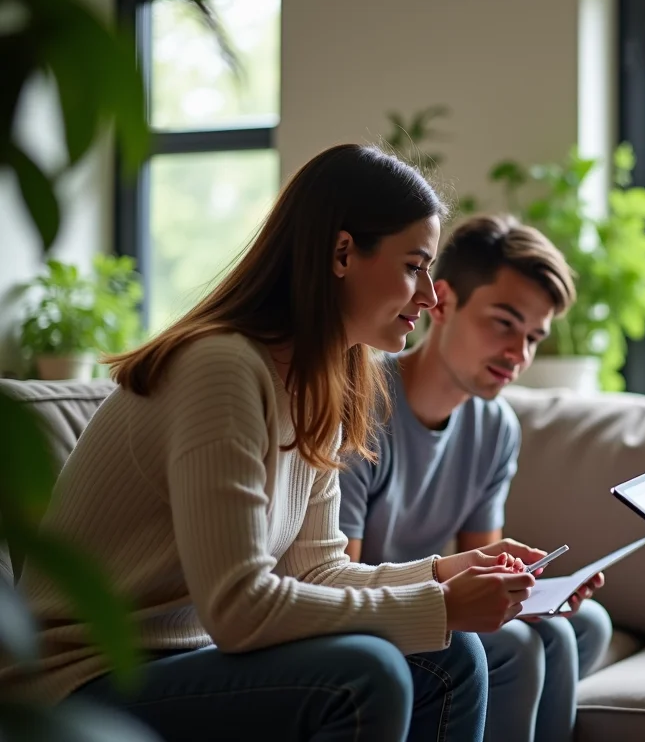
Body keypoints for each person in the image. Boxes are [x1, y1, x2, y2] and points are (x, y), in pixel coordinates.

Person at [1, 144, 538, 742]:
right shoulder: (220, 368)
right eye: (414, 266)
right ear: (341, 253)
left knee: (452, 656)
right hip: (79, 678)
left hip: (181, 658)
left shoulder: (321, 385)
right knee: (368, 673)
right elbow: (238, 609)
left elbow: (318, 570)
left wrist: (442, 574)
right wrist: (438, 605)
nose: (430, 296)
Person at [338, 213, 613, 742]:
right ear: (441, 302)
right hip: (370, 611)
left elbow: (488, 563)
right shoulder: (360, 403)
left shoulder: (495, 428)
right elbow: (339, 579)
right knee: (518, 647)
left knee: (581, 626)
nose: (520, 354)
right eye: (504, 323)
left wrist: (528, 593)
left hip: (429, 599)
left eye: (533, 336)